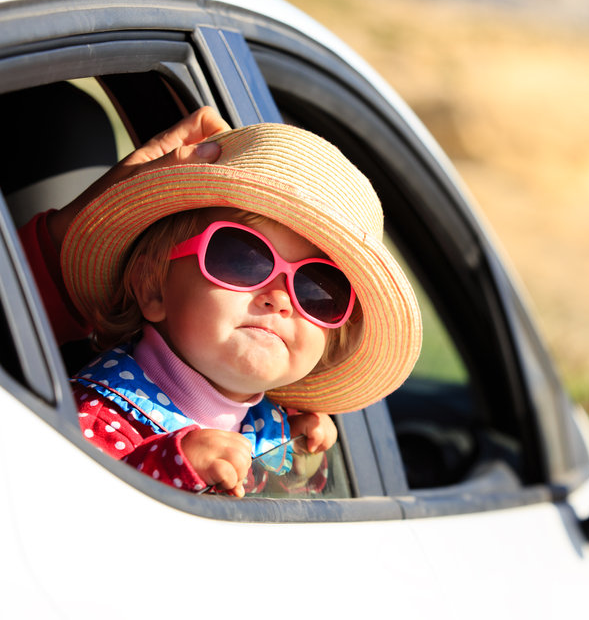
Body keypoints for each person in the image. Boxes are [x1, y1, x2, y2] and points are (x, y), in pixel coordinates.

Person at [22, 115, 423, 496]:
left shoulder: (265, 423)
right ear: (153, 288)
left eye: (319, 291)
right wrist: (169, 467)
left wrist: (299, 450)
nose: (281, 298)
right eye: (242, 259)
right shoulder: (91, 419)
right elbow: (60, 518)